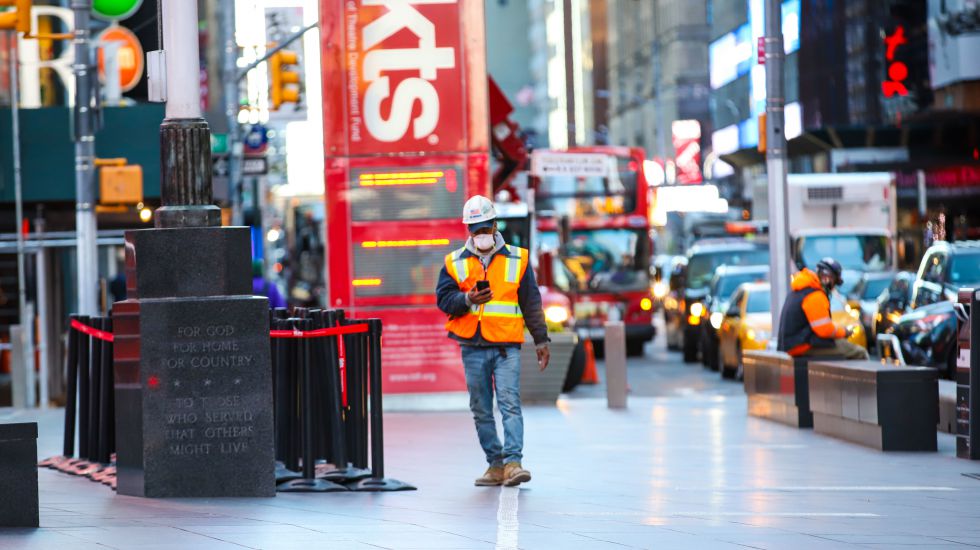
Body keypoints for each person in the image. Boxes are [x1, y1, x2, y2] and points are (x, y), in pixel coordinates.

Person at [436, 195, 550, 487]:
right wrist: (467, 299)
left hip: (505, 346)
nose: (481, 235)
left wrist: (541, 340)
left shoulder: (518, 258)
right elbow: (444, 299)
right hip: (472, 346)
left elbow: (531, 302)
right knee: (481, 408)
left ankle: (514, 463)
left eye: (485, 228)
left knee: (510, 403)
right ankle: (495, 465)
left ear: (494, 225)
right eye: (475, 229)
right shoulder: (454, 262)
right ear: (468, 231)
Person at [777, 257, 869, 360]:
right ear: (829, 279)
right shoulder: (815, 295)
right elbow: (824, 330)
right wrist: (844, 332)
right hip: (802, 345)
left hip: (794, 344)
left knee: (842, 345)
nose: (833, 287)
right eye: (835, 282)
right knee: (859, 352)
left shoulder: (801, 289)